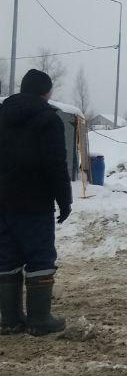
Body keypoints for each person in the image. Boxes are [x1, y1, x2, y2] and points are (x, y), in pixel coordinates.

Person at [0, 69, 71, 336]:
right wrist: (64, 200)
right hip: (35, 201)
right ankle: (40, 320)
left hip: (3, 201)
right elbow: (55, 164)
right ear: (46, 92)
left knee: (6, 256)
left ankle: (9, 320)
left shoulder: (2, 114)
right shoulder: (47, 120)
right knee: (40, 256)